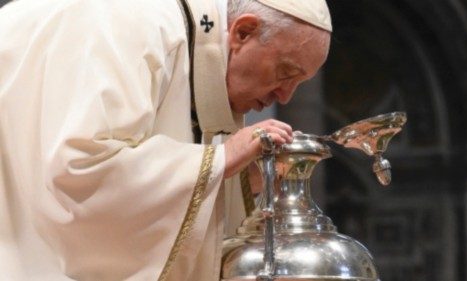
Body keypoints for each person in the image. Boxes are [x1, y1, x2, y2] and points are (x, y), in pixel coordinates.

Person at [0, 0, 331, 280]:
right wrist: (221, 160)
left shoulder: (182, 36)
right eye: (285, 73)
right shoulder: (127, 21)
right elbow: (79, 169)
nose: (285, 97)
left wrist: (241, 177)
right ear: (243, 33)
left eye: (299, 83)